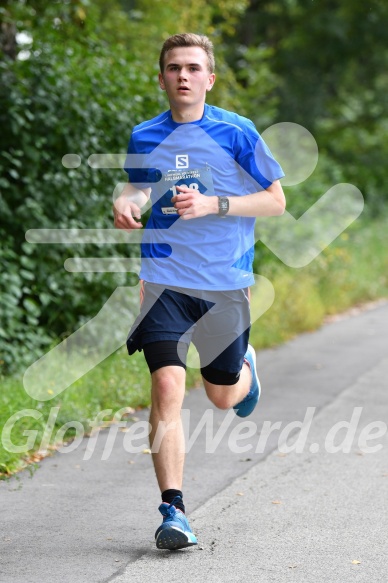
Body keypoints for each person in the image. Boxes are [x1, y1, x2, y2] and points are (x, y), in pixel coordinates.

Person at [113, 32, 285, 551]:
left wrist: (215, 205)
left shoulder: (237, 132)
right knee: (167, 387)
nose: (182, 75)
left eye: (192, 67)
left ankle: (245, 369)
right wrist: (128, 202)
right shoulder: (145, 135)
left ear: (209, 78)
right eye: (173, 68)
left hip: (224, 286)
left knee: (220, 394)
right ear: (162, 77)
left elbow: (275, 200)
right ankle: (175, 512)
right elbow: (138, 182)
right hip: (164, 283)